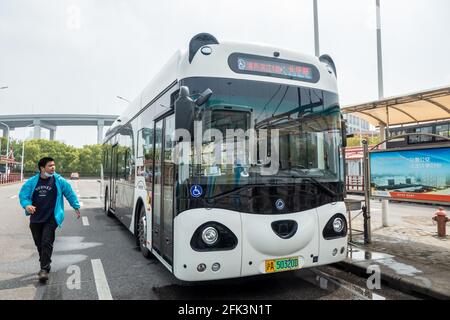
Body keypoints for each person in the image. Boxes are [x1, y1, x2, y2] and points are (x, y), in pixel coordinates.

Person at [19, 157, 81, 283]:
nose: (53, 167)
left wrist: (76, 206)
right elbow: (23, 195)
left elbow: (69, 192)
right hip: (36, 218)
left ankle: (44, 269)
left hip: (51, 217)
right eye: (50, 166)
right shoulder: (32, 182)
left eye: (54, 165)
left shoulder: (59, 180)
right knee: (40, 244)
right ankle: (45, 262)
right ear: (42, 168)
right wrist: (27, 205)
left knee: (46, 242)